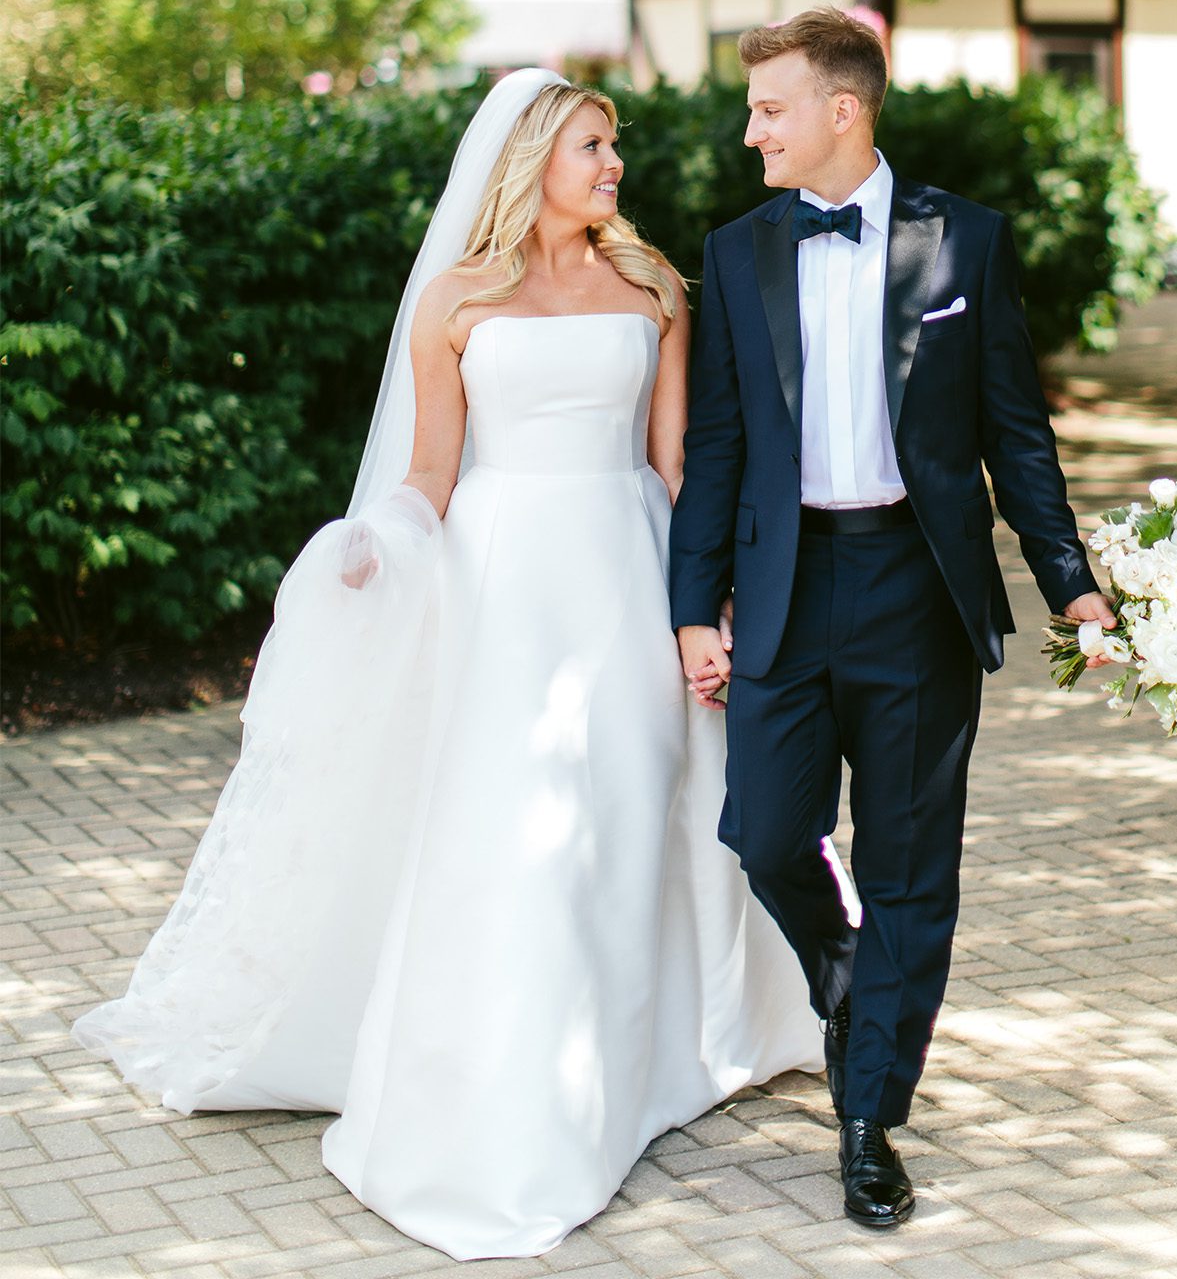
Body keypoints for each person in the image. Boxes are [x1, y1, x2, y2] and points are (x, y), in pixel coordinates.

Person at [73, 69, 819, 1260]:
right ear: (532, 158)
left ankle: (654, 1051)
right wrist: (379, 543)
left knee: (636, 803)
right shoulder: (456, 299)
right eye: (591, 144)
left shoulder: (652, 284)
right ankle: (522, 1084)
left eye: (612, 146)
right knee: (524, 826)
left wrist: (709, 596)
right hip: (503, 587)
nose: (612, 164)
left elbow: (678, 465)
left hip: (624, 574)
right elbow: (430, 469)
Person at [669, 9, 1115, 1230]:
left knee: (911, 865)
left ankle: (867, 1117)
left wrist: (1069, 577)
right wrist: (687, 611)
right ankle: (859, 987)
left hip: (916, 590)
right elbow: (715, 446)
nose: (750, 127)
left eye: (770, 106)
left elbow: (1014, 433)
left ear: (841, 110)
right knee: (766, 834)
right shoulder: (739, 248)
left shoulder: (963, 240)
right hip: (780, 588)